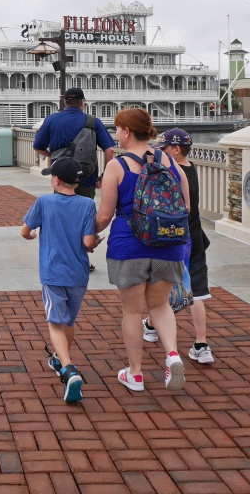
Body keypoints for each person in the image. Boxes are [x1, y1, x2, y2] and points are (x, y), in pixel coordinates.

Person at [95, 108, 191, 393]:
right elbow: (185, 206)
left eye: (117, 129)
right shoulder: (169, 160)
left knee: (133, 311)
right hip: (168, 244)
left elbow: (104, 215)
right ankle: (172, 354)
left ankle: (135, 374)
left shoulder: (117, 165)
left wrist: (88, 236)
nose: (116, 134)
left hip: (129, 245)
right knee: (160, 304)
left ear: (126, 131)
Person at [20, 157, 101, 403]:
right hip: (78, 273)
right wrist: (95, 243)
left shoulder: (44, 202)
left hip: (53, 272)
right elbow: (88, 242)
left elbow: (25, 231)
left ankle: (68, 369)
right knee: (68, 320)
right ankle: (58, 358)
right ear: (76, 181)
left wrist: (33, 234)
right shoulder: (87, 204)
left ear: (55, 180)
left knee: (55, 321)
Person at [144, 128, 214, 363]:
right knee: (198, 292)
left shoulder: (172, 173)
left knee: (160, 287)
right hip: (194, 237)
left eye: (163, 149)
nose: (160, 153)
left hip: (173, 239)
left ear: (175, 149)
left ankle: (152, 328)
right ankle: (201, 344)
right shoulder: (191, 169)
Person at [33, 87, 116, 199]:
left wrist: (52, 155)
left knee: (61, 212)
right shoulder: (92, 121)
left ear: (65, 102)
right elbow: (110, 150)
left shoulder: (51, 120)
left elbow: (38, 147)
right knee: (84, 212)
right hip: (86, 179)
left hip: (61, 178)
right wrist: (104, 176)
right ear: (82, 102)